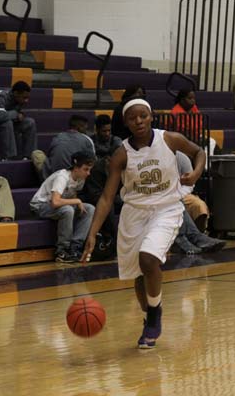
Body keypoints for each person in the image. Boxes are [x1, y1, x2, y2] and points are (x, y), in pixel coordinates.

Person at [82, 98, 206, 349]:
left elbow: (199, 152)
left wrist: (195, 172)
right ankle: (150, 312)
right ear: (125, 123)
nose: (138, 121)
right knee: (139, 276)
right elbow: (107, 197)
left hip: (166, 209)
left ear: (151, 117)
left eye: (143, 116)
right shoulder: (121, 155)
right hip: (134, 214)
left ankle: (155, 315)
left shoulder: (170, 139)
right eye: (132, 118)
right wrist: (92, 233)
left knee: (148, 259)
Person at [30, 151, 95, 263]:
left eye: (89, 170)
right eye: (86, 169)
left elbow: (72, 195)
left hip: (56, 206)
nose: (88, 173)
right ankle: (62, 250)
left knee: (90, 209)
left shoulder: (80, 179)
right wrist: (76, 201)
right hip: (40, 206)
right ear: (76, 168)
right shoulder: (62, 176)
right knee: (67, 209)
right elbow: (55, 202)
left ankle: (75, 246)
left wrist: (76, 204)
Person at [176, 151, 209, 231]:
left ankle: (199, 233)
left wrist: (178, 195)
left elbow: (190, 183)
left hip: (181, 193)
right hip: (157, 196)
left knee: (199, 205)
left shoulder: (181, 157)